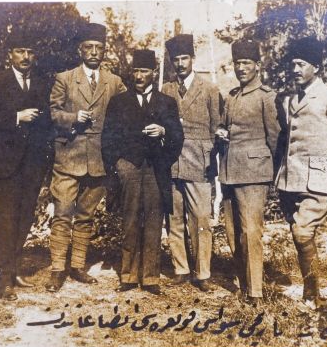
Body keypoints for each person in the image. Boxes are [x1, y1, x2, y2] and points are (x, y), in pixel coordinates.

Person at [276, 36, 327, 305]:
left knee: (302, 232)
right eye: (293, 64)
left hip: (320, 180)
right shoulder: (290, 99)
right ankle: (310, 289)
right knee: (299, 232)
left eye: (301, 64)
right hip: (291, 180)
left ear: (317, 67)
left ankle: (312, 294)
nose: (295, 69)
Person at [0, 29, 53, 301]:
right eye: (20, 51)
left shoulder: (42, 83)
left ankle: (14, 269)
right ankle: (2, 279)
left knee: (25, 219)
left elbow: (48, 121)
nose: (25, 57)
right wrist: (17, 117)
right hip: (5, 165)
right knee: (6, 221)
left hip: (32, 165)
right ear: (10, 55)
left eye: (30, 52)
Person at [48, 22, 126, 292]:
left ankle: (78, 266)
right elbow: (53, 113)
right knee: (62, 213)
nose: (94, 52)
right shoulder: (65, 78)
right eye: (89, 47)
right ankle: (57, 269)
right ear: (80, 50)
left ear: (104, 51)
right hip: (68, 156)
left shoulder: (114, 82)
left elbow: (127, 111)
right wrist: (73, 117)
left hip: (98, 159)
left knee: (85, 216)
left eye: (99, 48)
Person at [102, 49, 183, 295]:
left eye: (144, 71)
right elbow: (108, 138)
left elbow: (178, 137)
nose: (139, 76)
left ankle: (150, 278)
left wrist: (164, 132)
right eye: (136, 71)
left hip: (156, 169)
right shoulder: (119, 102)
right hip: (129, 167)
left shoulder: (166, 102)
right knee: (130, 220)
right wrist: (119, 165)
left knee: (154, 221)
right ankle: (128, 275)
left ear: (153, 73)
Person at [216, 40, 280, 306]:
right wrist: (221, 132)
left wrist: (271, 172)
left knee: (251, 232)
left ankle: (255, 292)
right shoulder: (232, 96)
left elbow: (275, 137)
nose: (241, 68)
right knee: (233, 232)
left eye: (246, 63)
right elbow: (223, 126)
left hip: (254, 174)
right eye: (237, 63)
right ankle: (243, 283)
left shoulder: (267, 96)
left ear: (257, 66)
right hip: (229, 172)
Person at [162, 34, 223, 292]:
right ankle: (181, 269)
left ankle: (203, 272)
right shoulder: (166, 89)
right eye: (176, 59)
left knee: (200, 219)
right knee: (174, 217)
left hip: (199, 162)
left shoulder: (209, 89)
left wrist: (210, 160)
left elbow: (216, 127)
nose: (180, 64)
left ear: (193, 59)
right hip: (171, 162)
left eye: (184, 58)